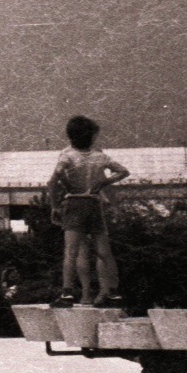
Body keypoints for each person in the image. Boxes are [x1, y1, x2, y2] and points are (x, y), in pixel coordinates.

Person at [47, 115, 129, 307]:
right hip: (94, 203)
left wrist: (55, 205)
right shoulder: (99, 156)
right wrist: (104, 182)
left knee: (71, 251)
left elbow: (53, 180)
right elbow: (124, 172)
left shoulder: (67, 156)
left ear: (70, 136)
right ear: (91, 136)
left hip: (74, 204)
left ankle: (67, 293)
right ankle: (113, 292)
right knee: (104, 252)